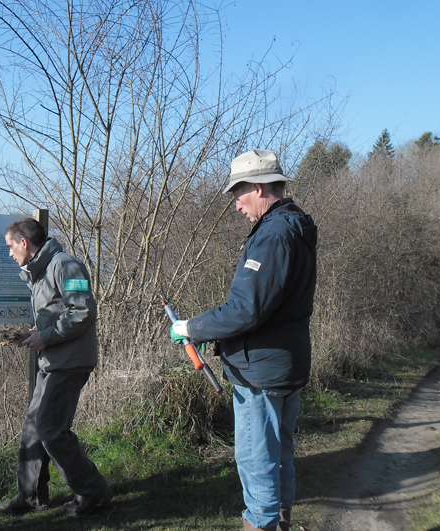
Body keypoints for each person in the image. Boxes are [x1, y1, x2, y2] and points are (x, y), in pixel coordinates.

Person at [170, 149, 317, 531]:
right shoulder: (295, 227)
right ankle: (280, 523)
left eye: (238, 194)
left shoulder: (273, 235)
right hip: (283, 363)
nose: (236, 206)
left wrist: (191, 328)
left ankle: (263, 525)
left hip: (261, 372)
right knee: (280, 454)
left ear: (258, 187)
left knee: (256, 461)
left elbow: (245, 310)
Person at [0, 218, 113, 516]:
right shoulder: (39, 272)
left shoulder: (65, 266)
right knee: (33, 429)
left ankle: (93, 492)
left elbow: (83, 312)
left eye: (10, 247)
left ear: (24, 243)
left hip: (70, 363)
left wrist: (45, 337)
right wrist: (32, 335)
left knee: (51, 430)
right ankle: (31, 497)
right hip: (52, 362)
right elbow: (56, 313)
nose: (9, 254)